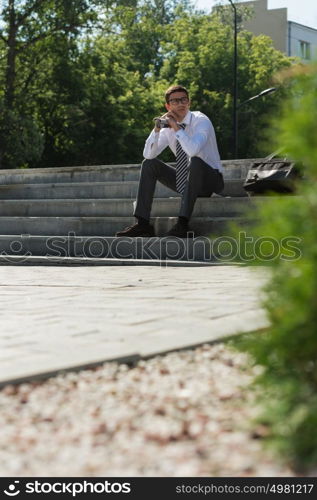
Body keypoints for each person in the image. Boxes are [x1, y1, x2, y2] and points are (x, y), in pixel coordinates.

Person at [115, 84, 224, 238]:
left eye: (183, 100)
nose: (180, 104)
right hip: (185, 182)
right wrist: (157, 130)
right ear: (167, 106)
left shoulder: (201, 120)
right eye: (175, 101)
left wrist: (176, 128)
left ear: (189, 102)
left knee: (196, 161)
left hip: (210, 181)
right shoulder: (167, 127)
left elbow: (193, 150)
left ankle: (182, 224)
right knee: (149, 164)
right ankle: (143, 224)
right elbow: (148, 154)